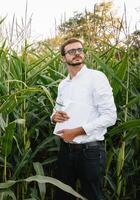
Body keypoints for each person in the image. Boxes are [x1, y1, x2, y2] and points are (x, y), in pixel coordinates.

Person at [51, 38, 117, 200]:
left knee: (93, 196)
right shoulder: (63, 84)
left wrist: (77, 132)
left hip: (90, 152)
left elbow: (110, 116)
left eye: (79, 50)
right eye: (71, 51)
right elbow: (56, 110)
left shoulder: (96, 77)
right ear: (62, 58)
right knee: (63, 196)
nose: (77, 54)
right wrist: (54, 117)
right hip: (66, 151)